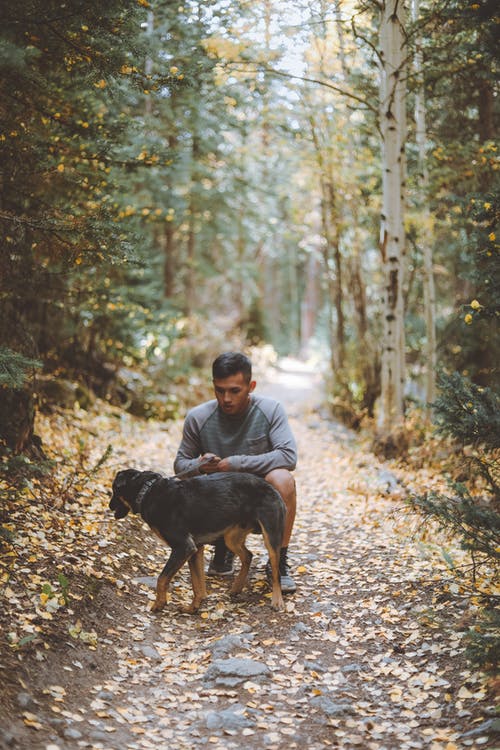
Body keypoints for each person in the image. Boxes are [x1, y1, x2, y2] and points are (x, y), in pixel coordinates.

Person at [173, 351, 297, 593]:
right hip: (219, 500)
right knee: (192, 484)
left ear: (251, 386)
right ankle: (223, 548)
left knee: (283, 479)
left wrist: (237, 463)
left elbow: (288, 456)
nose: (226, 398)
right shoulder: (198, 417)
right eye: (220, 390)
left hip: (259, 499)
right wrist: (199, 465)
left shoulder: (271, 410)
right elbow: (179, 465)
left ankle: (279, 564)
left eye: (234, 391)